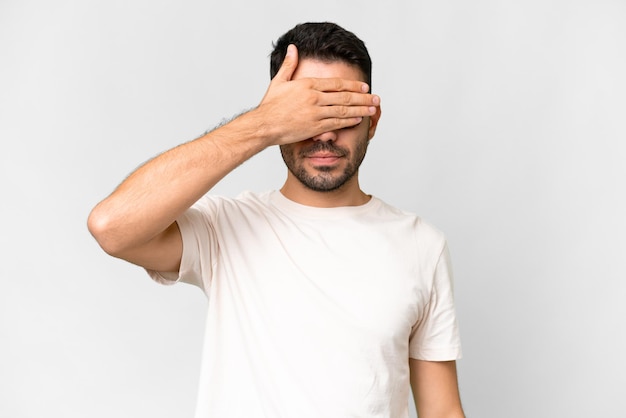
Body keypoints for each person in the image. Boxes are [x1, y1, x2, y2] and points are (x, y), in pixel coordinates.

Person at [88, 22, 465, 418]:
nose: (326, 135)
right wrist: (263, 123)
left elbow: (442, 410)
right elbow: (111, 226)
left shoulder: (422, 244)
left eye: (344, 113)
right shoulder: (224, 228)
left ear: (372, 120)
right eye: (309, 114)